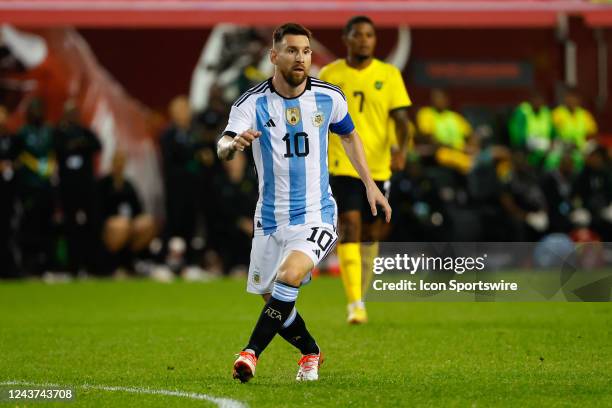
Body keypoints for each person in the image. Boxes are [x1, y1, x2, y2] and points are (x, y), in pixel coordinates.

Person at [217, 23, 391, 383]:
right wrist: (232, 146)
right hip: (269, 218)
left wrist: (370, 184)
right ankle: (310, 352)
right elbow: (222, 144)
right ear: (274, 55)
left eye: (307, 51)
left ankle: (250, 354)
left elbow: (349, 137)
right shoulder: (251, 102)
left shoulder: (329, 97)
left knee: (289, 276)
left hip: (316, 214)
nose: (301, 58)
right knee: (274, 301)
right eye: (293, 50)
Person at [318, 16, 411, 324]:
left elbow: (401, 120)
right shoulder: (330, 74)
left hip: (379, 166)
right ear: (346, 38)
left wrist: (402, 150)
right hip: (342, 163)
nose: (364, 40)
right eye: (358, 35)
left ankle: (359, 292)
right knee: (350, 225)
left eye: (369, 35)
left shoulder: (389, 74)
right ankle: (355, 302)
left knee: (372, 234)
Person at [53, 100, 101, 274]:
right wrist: (72, 145)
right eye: (70, 112)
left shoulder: (85, 132)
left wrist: (80, 144)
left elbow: (97, 145)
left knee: (91, 225)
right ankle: (72, 266)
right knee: (70, 226)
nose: (73, 116)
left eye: (75, 112)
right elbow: (57, 149)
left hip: (86, 187)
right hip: (68, 187)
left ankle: (92, 265)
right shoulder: (59, 132)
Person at [97, 150, 156, 276]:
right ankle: (114, 265)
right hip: (109, 225)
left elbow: (139, 209)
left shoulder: (129, 185)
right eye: (117, 161)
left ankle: (135, 261)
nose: (119, 164)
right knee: (121, 226)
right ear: (112, 163)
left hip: (128, 223)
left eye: (122, 161)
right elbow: (97, 210)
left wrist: (137, 221)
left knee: (147, 223)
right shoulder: (103, 184)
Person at [508, 92, 554, 167]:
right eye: (535, 100)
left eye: (540, 101)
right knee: (545, 146)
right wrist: (521, 142)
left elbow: (552, 131)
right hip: (526, 143)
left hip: (544, 143)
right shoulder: (523, 111)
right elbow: (516, 132)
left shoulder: (546, 113)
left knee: (555, 151)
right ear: (530, 101)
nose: (538, 103)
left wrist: (552, 140)